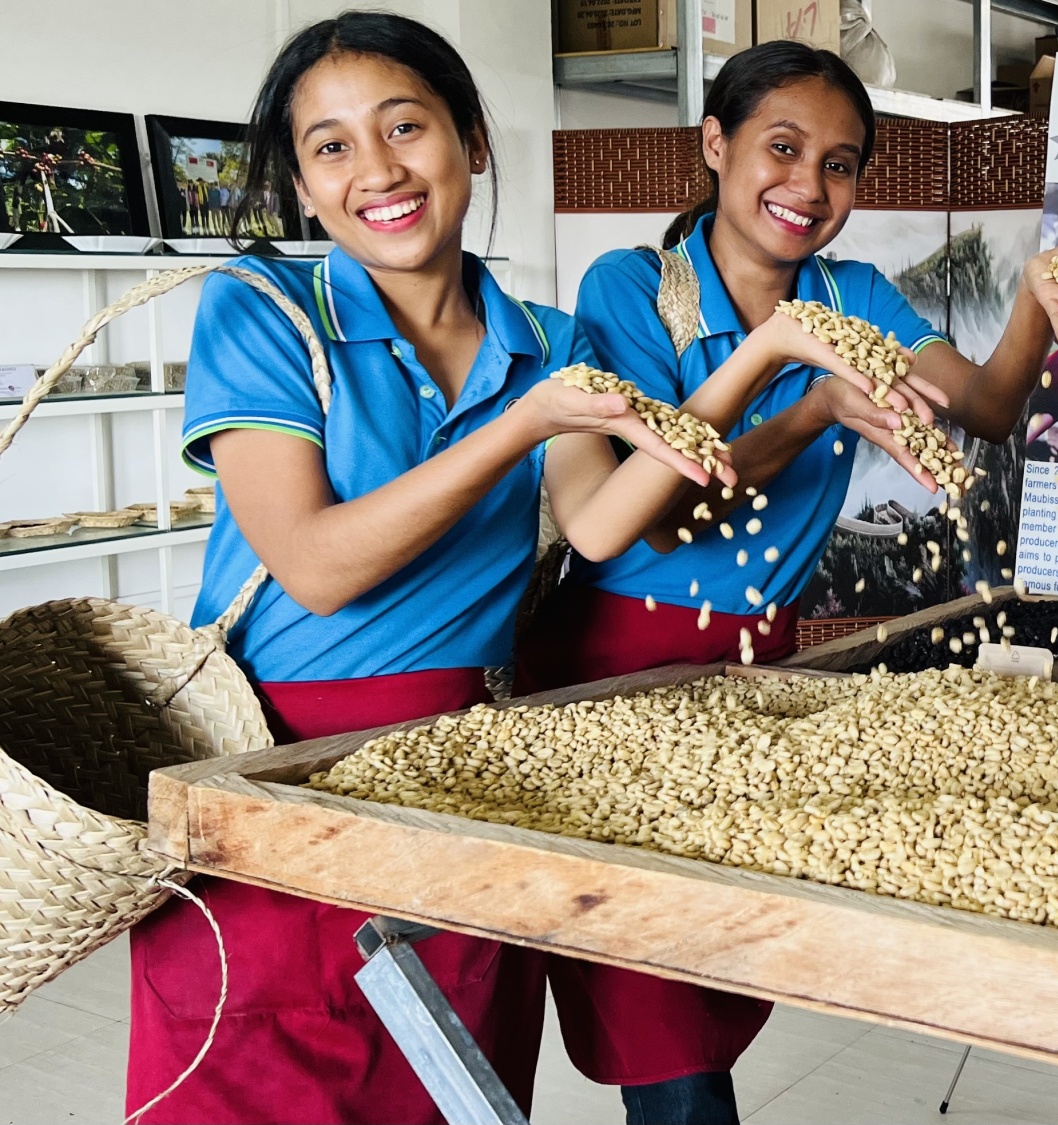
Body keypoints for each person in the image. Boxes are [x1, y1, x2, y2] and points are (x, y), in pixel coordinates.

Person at [122, 12, 814, 1123]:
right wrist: (514, 428)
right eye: (332, 147)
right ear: (302, 187)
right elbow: (312, 567)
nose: (378, 171)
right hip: (270, 777)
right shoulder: (261, 311)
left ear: (472, 143)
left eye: (406, 128)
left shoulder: (545, 339)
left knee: (451, 1087)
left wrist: (762, 361)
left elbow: (595, 526)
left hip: (463, 780)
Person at [515, 39, 1058, 1124]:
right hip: (620, 671)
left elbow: (988, 411)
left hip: (757, 674)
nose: (808, 186)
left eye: (842, 164)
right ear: (713, 146)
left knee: (717, 964)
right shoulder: (634, 288)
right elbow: (649, 523)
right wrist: (801, 396)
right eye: (781, 147)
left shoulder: (854, 293)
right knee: (658, 1010)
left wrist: (1038, 300)